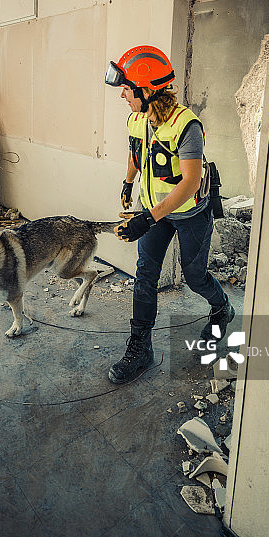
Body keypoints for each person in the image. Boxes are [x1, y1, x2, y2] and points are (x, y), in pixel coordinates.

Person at [104, 45, 235, 384]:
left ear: (147, 91)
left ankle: (222, 307)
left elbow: (191, 182)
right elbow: (136, 152)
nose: (122, 95)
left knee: (194, 277)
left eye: (127, 88)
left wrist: (147, 218)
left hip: (191, 214)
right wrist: (127, 182)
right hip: (154, 212)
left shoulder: (186, 125)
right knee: (145, 275)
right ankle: (140, 348)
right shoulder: (136, 118)